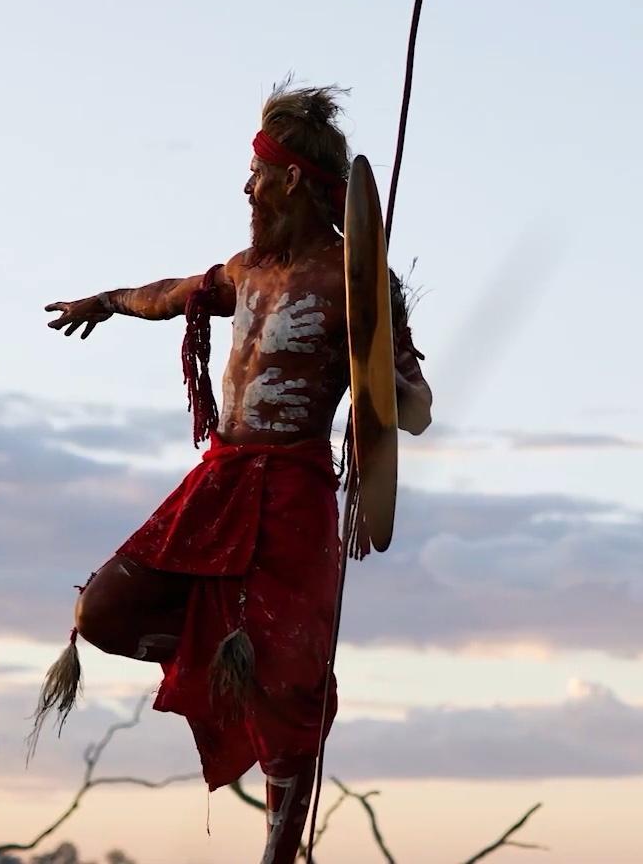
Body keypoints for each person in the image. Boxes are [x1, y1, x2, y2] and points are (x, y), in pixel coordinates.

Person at [31, 83, 432, 864]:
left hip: (294, 489)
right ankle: (223, 669)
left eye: (256, 173)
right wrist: (110, 302)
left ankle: (281, 850)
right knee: (102, 612)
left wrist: (387, 378)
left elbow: (413, 406)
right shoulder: (247, 271)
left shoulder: (357, 283)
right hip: (221, 479)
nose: (246, 189)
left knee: (290, 681)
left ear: (289, 182)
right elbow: (172, 295)